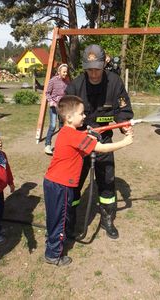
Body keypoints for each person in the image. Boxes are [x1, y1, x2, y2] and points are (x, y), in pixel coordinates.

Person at [44, 95, 133, 266]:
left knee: (55, 218)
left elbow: (80, 143)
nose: (85, 117)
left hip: (53, 182)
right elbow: (101, 148)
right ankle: (54, 254)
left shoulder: (66, 132)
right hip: (61, 185)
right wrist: (125, 142)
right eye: (81, 114)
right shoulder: (75, 136)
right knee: (60, 219)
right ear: (69, 117)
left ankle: (52, 241)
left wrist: (90, 137)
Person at [65, 44, 134, 240]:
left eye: (97, 68)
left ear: (105, 64)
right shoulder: (75, 86)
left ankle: (107, 219)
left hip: (104, 140)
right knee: (74, 183)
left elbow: (124, 111)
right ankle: (69, 221)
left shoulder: (115, 83)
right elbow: (65, 115)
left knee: (107, 182)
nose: (93, 74)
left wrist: (124, 126)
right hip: (80, 142)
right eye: (89, 69)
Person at [44, 63, 69, 155]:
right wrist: (51, 102)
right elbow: (47, 93)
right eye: (64, 72)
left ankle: (61, 145)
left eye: (66, 72)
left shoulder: (67, 81)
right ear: (59, 72)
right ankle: (47, 145)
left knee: (62, 127)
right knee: (53, 126)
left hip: (63, 107)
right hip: (54, 106)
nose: (65, 73)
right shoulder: (53, 80)